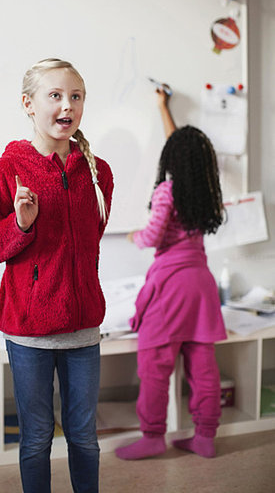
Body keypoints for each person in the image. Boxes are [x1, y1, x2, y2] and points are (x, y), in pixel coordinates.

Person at [0, 58, 114, 493]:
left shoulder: (98, 172)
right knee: (36, 439)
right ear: (28, 104)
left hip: (84, 330)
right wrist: (21, 226)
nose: (67, 105)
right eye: (55, 96)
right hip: (29, 332)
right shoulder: (6, 171)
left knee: (85, 439)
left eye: (76, 96)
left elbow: (90, 241)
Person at [115, 87, 226, 461]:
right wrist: (163, 107)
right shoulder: (204, 194)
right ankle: (205, 436)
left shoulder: (167, 191)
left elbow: (151, 238)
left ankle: (151, 436)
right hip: (202, 283)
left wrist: (132, 235)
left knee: (156, 364)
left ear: (171, 158)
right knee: (203, 364)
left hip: (172, 285)